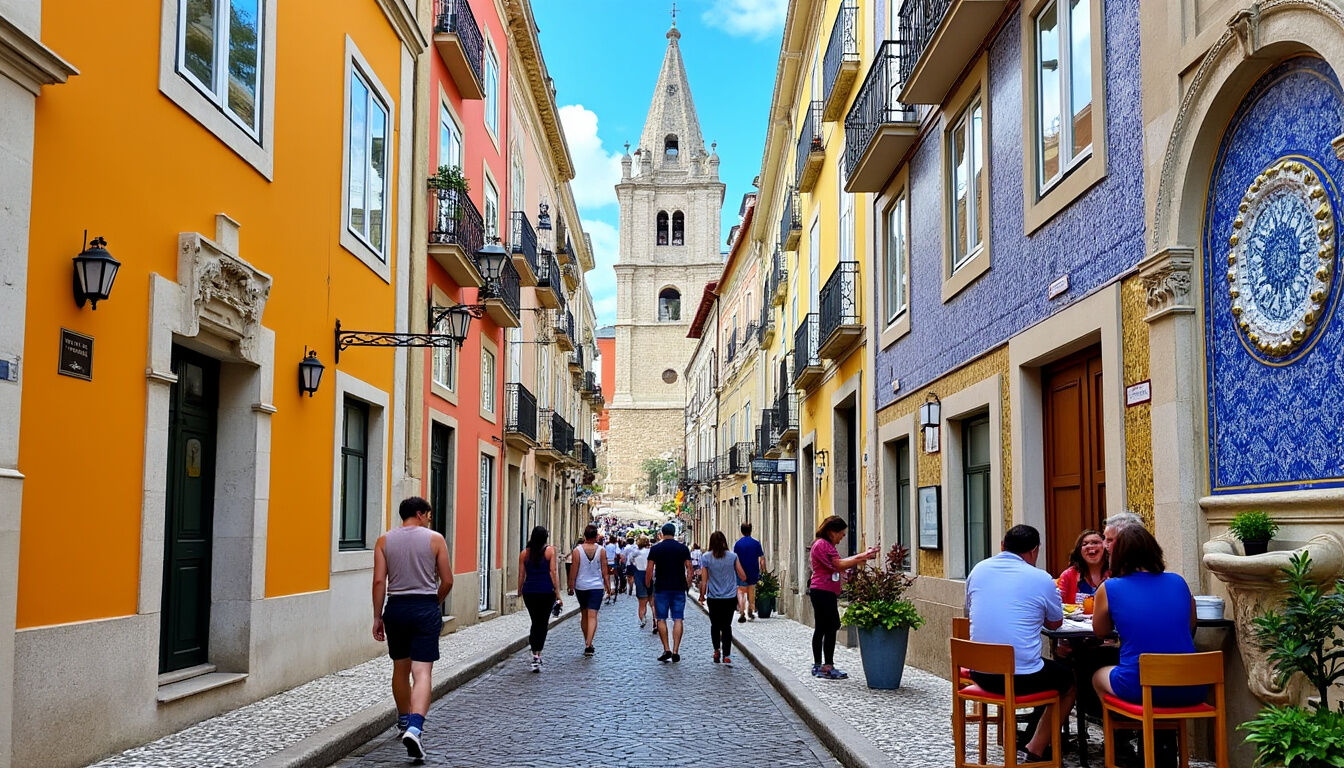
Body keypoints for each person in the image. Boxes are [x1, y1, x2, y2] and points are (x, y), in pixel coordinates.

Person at [965, 524, 1074, 764]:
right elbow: (1055, 624)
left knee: (1047, 670)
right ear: (1035, 551)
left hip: (980, 672)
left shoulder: (978, 569)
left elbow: (969, 611)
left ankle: (1032, 737)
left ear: (1003, 546)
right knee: (1069, 681)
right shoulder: (1041, 578)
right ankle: (1036, 747)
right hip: (1020, 678)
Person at [372, 497, 453, 761]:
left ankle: (404, 720)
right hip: (424, 608)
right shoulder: (435, 539)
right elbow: (448, 580)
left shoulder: (384, 541)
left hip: (396, 608)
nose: (430, 518)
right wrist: (435, 601)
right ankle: (416, 728)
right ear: (419, 514)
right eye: (428, 514)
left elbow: (378, 582)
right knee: (422, 670)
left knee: (400, 667)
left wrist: (377, 617)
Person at [1092, 525, 1207, 707]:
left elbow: (1100, 631)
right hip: (1192, 686)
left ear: (1118, 555)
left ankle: (1121, 731)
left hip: (1139, 687)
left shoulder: (1110, 588)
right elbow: (1191, 624)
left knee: (1098, 677)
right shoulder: (1178, 582)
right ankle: (1162, 733)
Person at [808, 516, 878, 680]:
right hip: (823, 591)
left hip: (824, 590)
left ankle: (821, 665)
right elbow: (838, 564)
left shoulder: (824, 544)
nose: (843, 537)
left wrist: (860, 558)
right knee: (830, 626)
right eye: (842, 534)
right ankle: (825, 666)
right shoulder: (822, 545)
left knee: (824, 627)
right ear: (832, 532)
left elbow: (837, 566)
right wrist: (862, 556)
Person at [698, 531, 747, 665]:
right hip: (729, 597)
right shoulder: (733, 556)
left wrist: (701, 596)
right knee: (726, 626)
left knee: (715, 625)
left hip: (713, 597)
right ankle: (726, 654)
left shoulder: (706, 557)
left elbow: (704, 580)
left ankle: (716, 649)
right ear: (724, 541)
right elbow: (743, 576)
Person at [517, 526, 562, 673]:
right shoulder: (550, 551)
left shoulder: (524, 553)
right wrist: (558, 593)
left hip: (530, 591)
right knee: (542, 623)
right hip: (545, 591)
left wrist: (519, 590)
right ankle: (537, 654)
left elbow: (521, 575)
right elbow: (553, 572)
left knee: (535, 621)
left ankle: (534, 651)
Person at [646, 522, 693, 662]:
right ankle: (676, 650)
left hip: (661, 588)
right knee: (678, 618)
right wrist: (688, 584)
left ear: (662, 533)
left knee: (661, 619)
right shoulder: (683, 548)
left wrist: (648, 584)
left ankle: (666, 648)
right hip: (678, 587)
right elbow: (689, 569)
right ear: (674, 533)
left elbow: (649, 569)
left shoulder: (656, 549)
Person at [568, 525, 611, 656]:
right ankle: (589, 643)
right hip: (596, 586)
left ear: (585, 535)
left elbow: (573, 570)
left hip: (581, 586)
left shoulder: (577, 550)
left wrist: (571, 586)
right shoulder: (601, 550)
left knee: (584, 615)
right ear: (596, 536)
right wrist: (608, 587)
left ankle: (587, 641)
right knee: (593, 616)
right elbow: (605, 572)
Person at [1056, 529, 1109, 604]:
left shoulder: (1115, 573)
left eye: (1095, 542)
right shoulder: (1068, 575)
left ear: (1105, 547)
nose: (1089, 546)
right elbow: (1057, 604)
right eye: (1084, 544)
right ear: (1079, 551)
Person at [733, 522, 767, 623]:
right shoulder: (756, 543)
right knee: (751, 591)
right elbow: (762, 559)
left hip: (741, 571)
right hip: (753, 570)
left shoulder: (738, 544)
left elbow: (735, 559)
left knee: (742, 592)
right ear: (750, 531)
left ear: (742, 531)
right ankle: (750, 610)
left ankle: (742, 612)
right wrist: (763, 570)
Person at [631, 535, 653, 628]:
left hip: (639, 574)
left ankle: (643, 619)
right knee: (653, 601)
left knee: (642, 602)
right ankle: (655, 621)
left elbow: (630, 561)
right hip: (651, 574)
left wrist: (636, 564)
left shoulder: (636, 553)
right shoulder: (651, 552)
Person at [604, 535, 621, 604]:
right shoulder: (614, 546)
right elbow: (618, 552)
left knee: (607, 578)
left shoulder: (606, 546)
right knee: (614, 578)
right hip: (613, 563)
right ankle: (613, 591)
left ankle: (608, 592)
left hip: (607, 563)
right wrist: (617, 545)